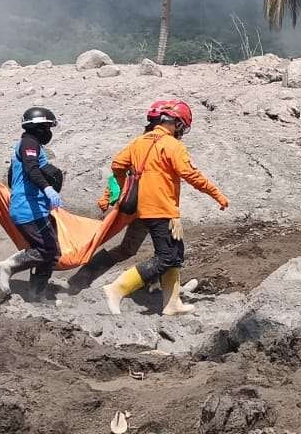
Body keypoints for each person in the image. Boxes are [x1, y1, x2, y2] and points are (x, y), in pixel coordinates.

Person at [97, 99, 228, 316]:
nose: (182, 132)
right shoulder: (172, 145)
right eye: (183, 127)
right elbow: (191, 174)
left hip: (143, 207)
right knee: (166, 257)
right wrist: (217, 195)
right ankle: (117, 288)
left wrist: (111, 194)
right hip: (160, 208)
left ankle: (172, 302)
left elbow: (118, 165)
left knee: (176, 252)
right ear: (176, 123)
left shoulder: (139, 142)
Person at [0, 106, 65, 297]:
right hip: (28, 209)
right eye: (47, 127)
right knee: (48, 251)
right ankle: (8, 267)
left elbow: (14, 176)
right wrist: (47, 188)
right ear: (38, 127)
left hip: (35, 207)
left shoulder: (32, 145)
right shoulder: (29, 144)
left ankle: (36, 294)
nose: (49, 132)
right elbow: (32, 169)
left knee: (49, 253)